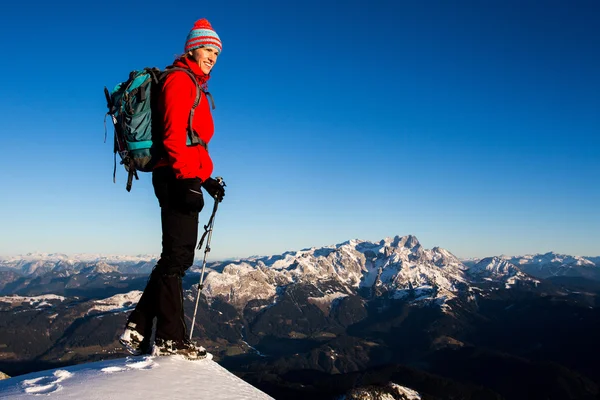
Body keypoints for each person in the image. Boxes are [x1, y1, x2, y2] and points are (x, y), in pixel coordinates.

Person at [119, 18, 225, 359]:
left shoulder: (193, 83)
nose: (212, 57)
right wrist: (186, 179)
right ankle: (170, 338)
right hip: (175, 178)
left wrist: (205, 179)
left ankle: (138, 325)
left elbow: (191, 143)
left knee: (175, 257)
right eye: (208, 49)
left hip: (182, 176)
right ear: (193, 48)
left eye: (216, 53)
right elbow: (172, 136)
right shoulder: (180, 81)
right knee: (178, 258)